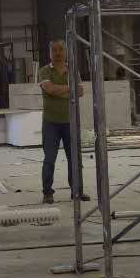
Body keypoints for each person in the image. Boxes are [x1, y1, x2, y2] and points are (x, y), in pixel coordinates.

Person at [38, 40, 88, 205]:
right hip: (51, 122)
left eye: (61, 50)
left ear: (66, 52)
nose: (58, 53)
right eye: (54, 50)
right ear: (50, 53)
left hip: (70, 122)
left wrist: (59, 90)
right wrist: (69, 88)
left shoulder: (73, 70)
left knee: (75, 159)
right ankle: (47, 193)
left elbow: (80, 91)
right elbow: (50, 89)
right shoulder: (44, 71)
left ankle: (77, 191)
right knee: (49, 160)